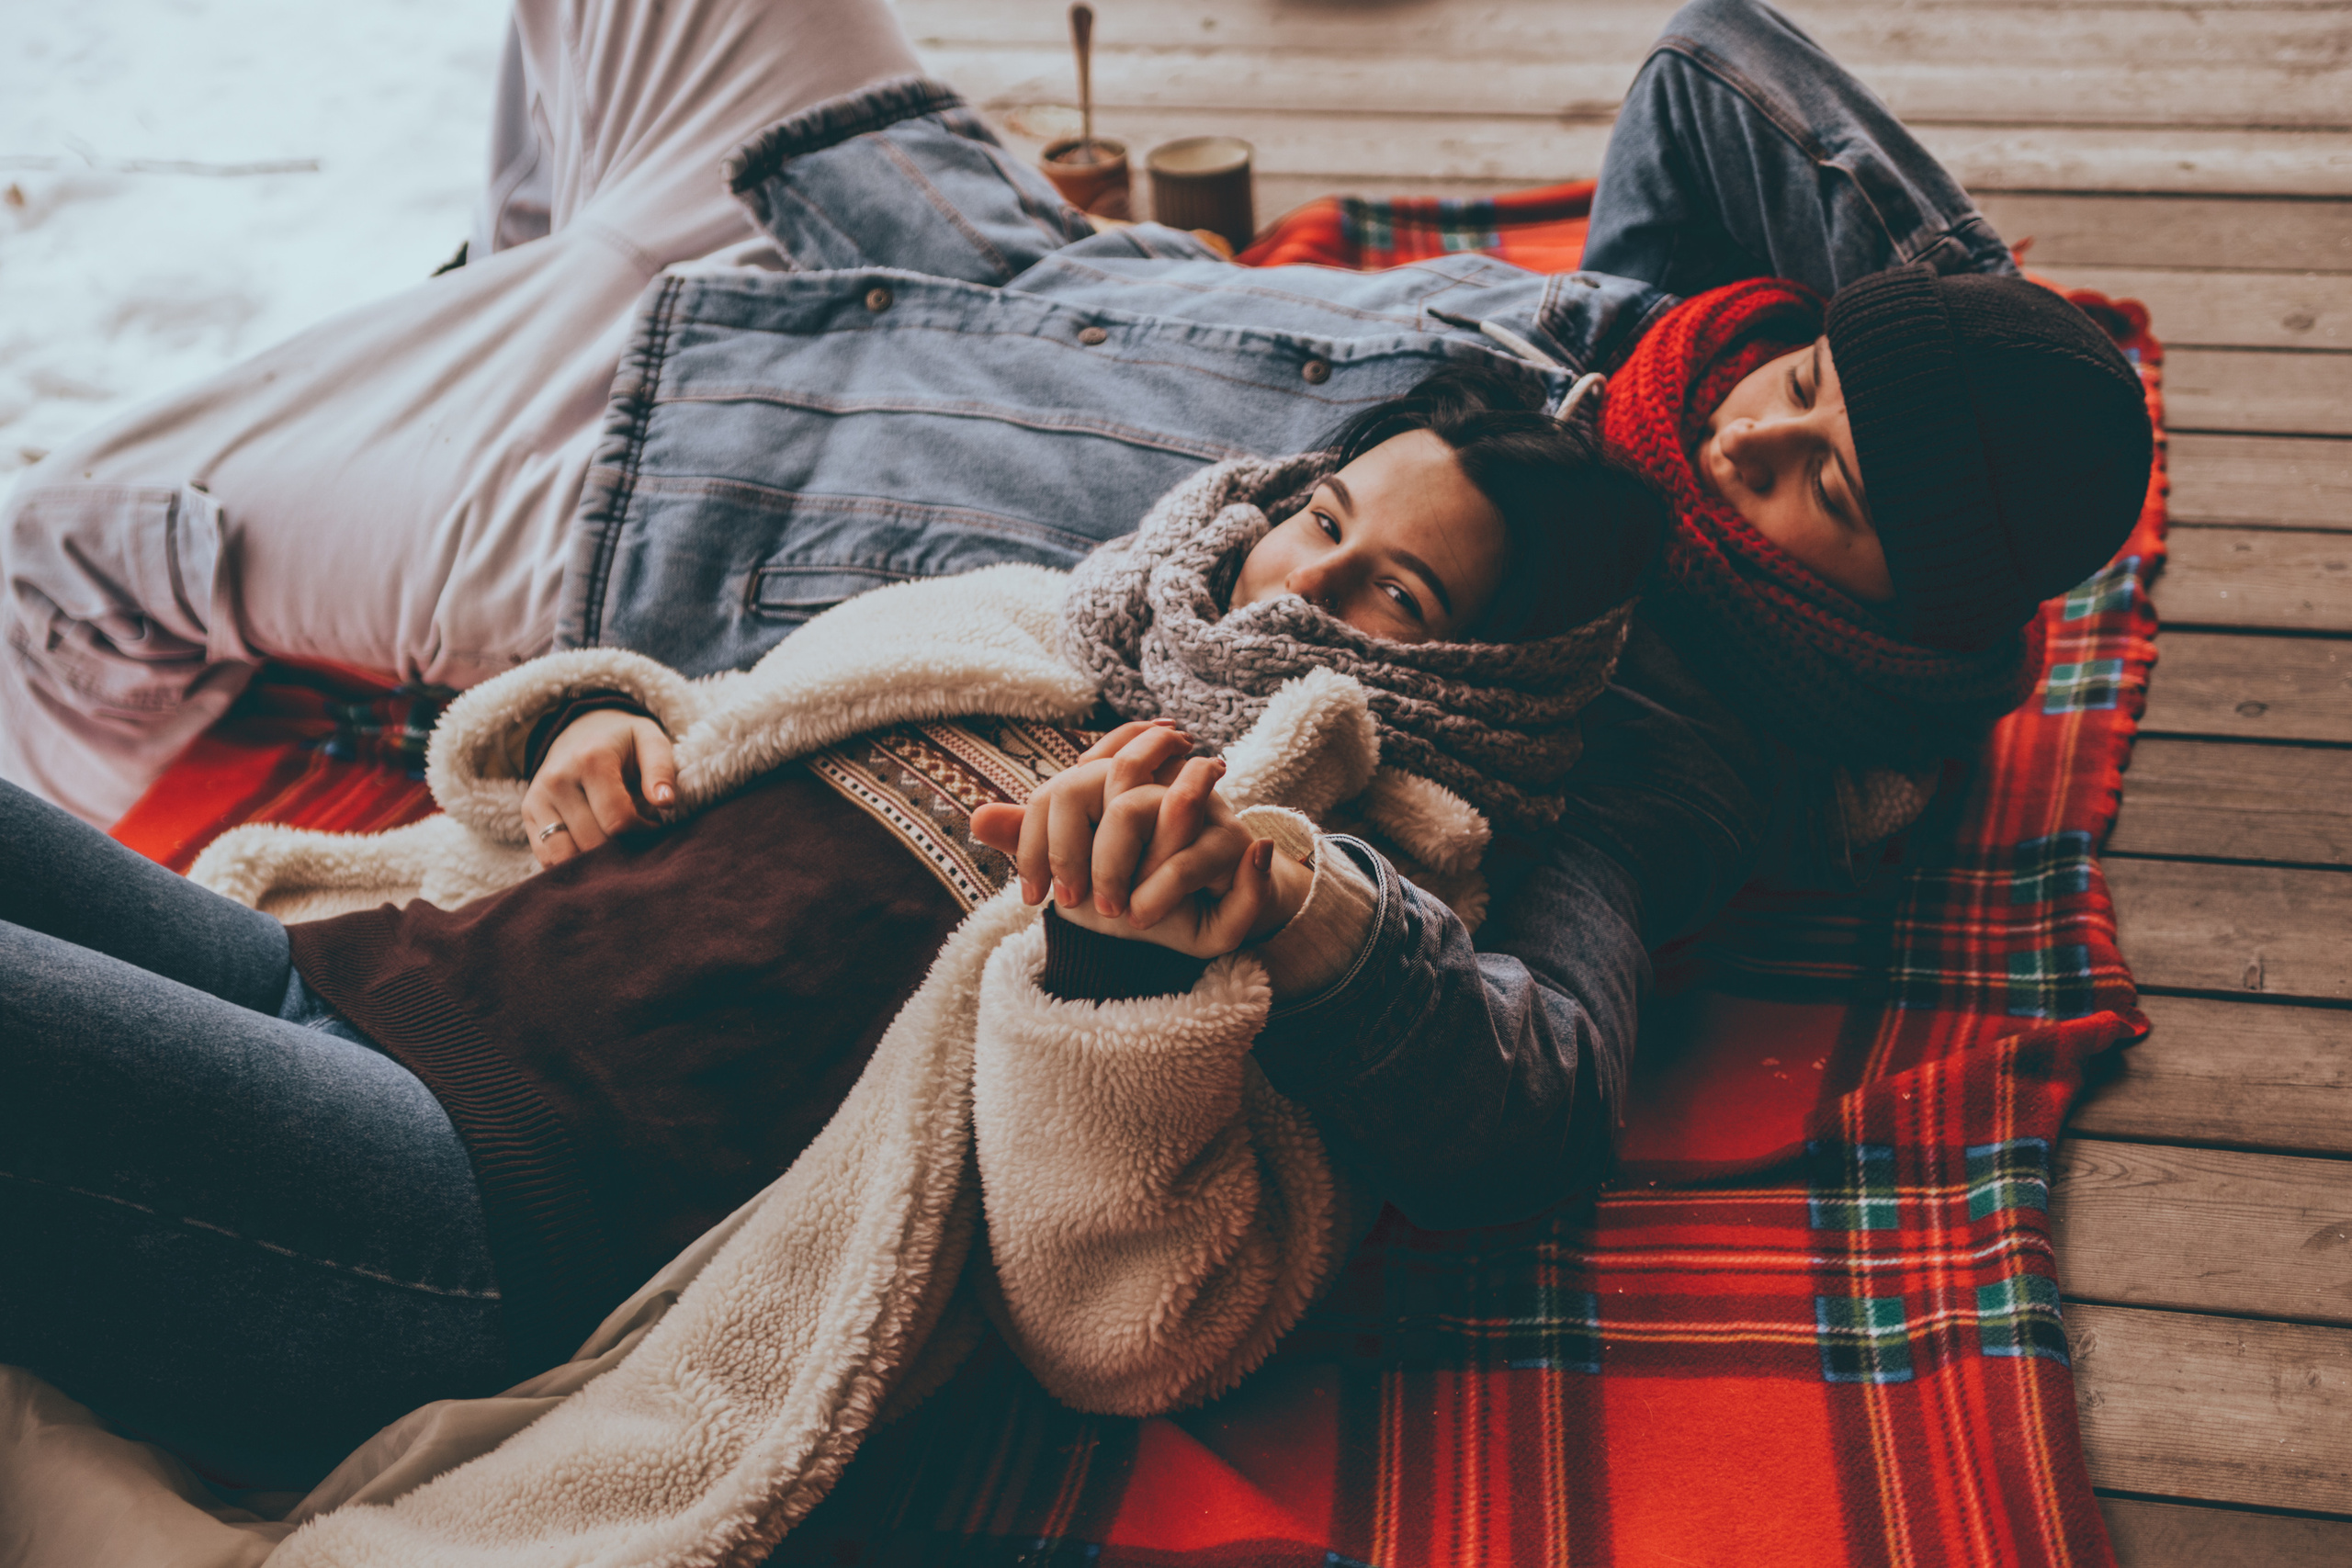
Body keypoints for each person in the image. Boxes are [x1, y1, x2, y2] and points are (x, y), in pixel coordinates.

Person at [1, 0, 2149, 1330]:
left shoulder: (1628, 733)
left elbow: (1531, 1088)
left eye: (1832, 492)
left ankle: (408, 371)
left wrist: (1300, 926)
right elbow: (1709, 65)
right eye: (1814, 377)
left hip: (625, 472)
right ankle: (477, 280)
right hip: (880, 215)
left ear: (1876, 619)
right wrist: (1972, 371)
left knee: (57, 552)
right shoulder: (1651, 361)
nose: (1756, 420)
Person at [0, 367, 1666, 1489]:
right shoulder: (1033, 620)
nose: (1295, 589)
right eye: (1328, 519)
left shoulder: (1315, 883)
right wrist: (586, 729)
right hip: (352, 966)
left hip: (450, 1206)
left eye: (1396, 595)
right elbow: (690, 724)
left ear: (1489, 676)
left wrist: (1119, 977)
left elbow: (1136, 1330)